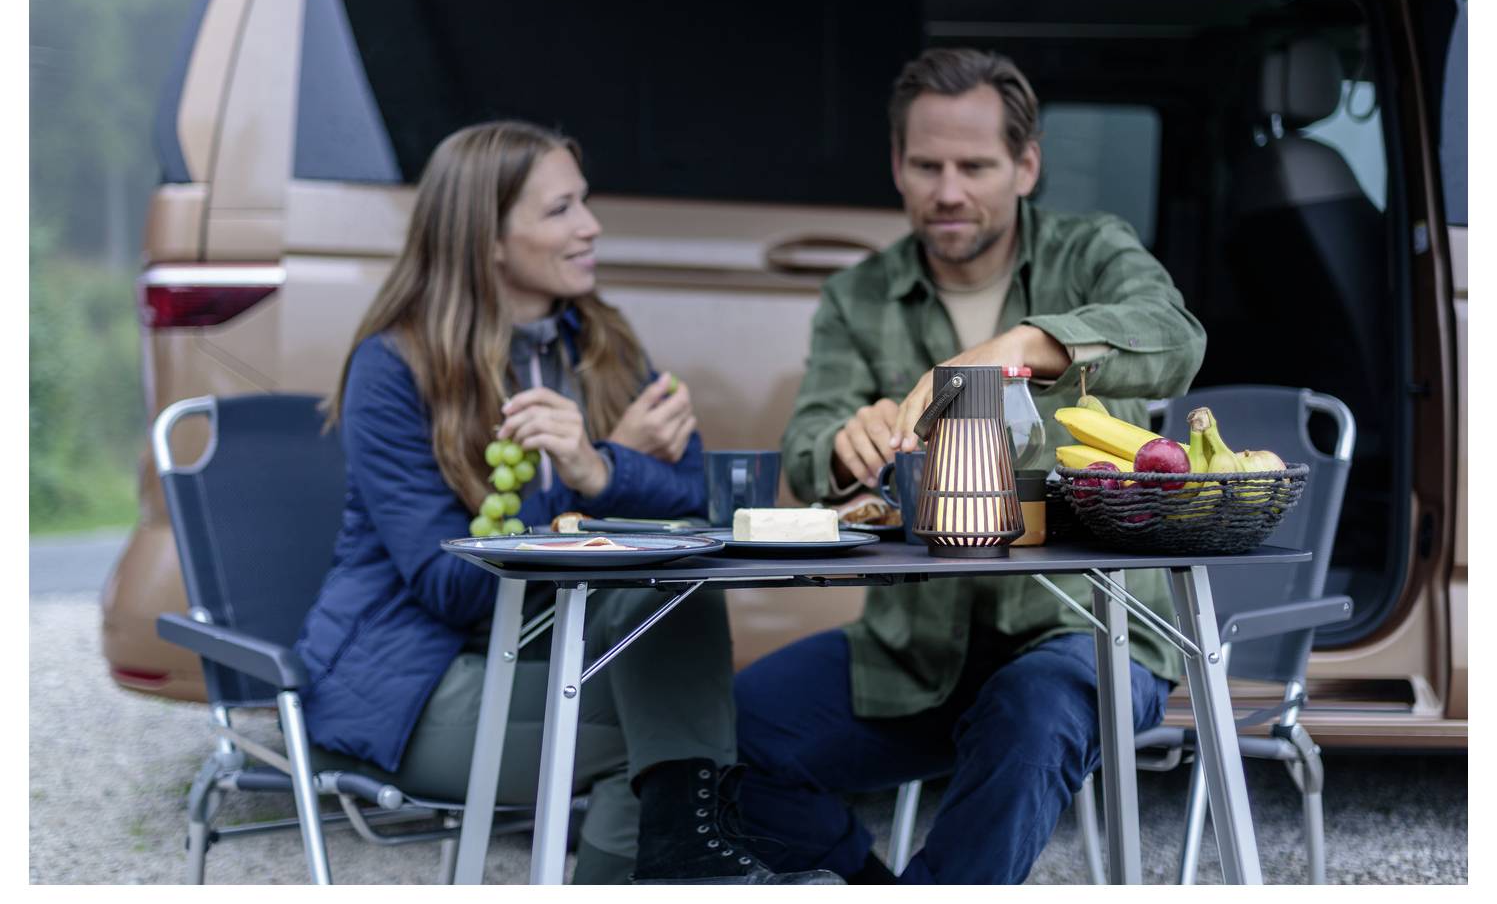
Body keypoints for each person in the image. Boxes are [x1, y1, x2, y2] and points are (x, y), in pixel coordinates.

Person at [292, 120, 838, 885]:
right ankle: (694, 865)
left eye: (583, 201)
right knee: (673, 744)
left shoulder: (602, 340)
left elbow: (700, 509)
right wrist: (589, 479)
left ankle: (689, 861)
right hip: (419, 682)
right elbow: (450, 589)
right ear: (486, 238)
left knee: (672, 613)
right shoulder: (393, 368)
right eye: (560, 209)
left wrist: (602, 467)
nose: (591, 226)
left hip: (551, 653)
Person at [732, 49, 1208, 883]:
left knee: (1031, 708)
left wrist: (1029, 342)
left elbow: (1175, 337)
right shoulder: (857, 294)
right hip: (916, 648)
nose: (947, 190)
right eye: (926, 166)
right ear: (896, 166)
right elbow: (809, 441)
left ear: (1026, 166)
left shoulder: (1091, 249)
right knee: (730, 731)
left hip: (1089, 632)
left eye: (974, 166)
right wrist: (845, 442)